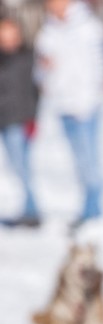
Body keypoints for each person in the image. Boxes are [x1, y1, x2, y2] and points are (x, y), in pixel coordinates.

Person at [34, 0, 103, 227]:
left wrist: (87, 101)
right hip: (62, 105)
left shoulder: (89, 27)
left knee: (90, 160)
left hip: (85, 105)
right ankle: (88, 207)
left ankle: (94, 210)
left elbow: (99, 67)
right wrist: (44, 74)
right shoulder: (47, 31)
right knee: (78, 161)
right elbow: (40, 72)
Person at [0, 11, 40, 227]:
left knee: (22, 167)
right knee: (12, 168)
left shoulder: (27, 57)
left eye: (10, 33)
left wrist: (32, 119)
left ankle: (31, 210)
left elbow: (33, 92)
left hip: (19, 120)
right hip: (3, 119)